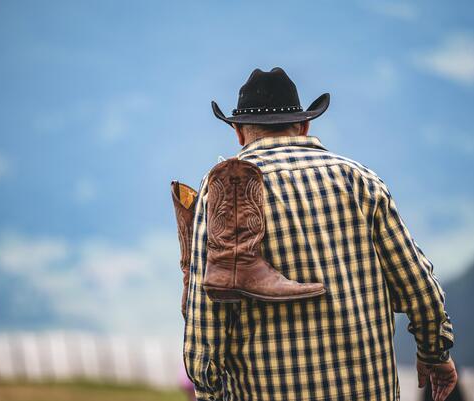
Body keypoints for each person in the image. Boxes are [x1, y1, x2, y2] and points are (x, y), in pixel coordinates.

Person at [176, 67, 457, 401]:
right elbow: (420, 288)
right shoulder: (361, 183)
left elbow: (207, 313)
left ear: (238, 132)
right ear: (304, 125)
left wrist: (208, 389)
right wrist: (434, 353)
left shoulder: (224, 190)